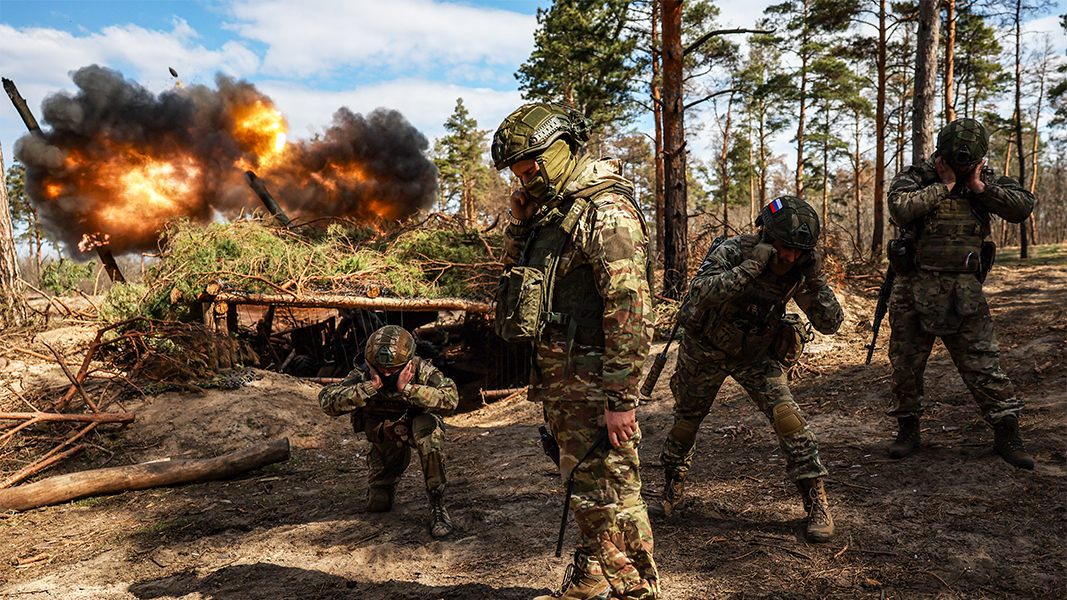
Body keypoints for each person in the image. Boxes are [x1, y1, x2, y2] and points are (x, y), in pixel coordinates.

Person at [492, 102, 658, 600]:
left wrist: (621, 398)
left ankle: (638, 592)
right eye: (517, 173)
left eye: (529, 168)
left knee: (607, 497)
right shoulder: (554, 214)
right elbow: (514, 285)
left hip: (594, 383)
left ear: (559, 152)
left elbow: (631, 307)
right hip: (566, 380)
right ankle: (590, 579)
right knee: (588, 485)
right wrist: (520, 226)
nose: (523, 180)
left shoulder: (604, 213)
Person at [648, 196, 844, 544]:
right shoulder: (735, 251)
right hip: (705, 348)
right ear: (767, 237)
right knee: (686, 421)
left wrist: (816, 280)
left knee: (788, 418)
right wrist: (749, 269)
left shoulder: (799, 270)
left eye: (799, 252)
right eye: (785, 248)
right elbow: (699, 292)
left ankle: (816, 499)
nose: (789, 258)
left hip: (754, 353)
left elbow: (830, 323)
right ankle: (670, 490)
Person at [885, 117, 1035, 469]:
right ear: (942, 156)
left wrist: (982, 188)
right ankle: (908, 430)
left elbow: (1023, 206)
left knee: (983, 365)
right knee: (906, 366)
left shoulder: (984, 180)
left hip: (964, 290)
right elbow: (899, 209)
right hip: (913, 288)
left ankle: (1007, 432)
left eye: (968, 164)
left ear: (980, 159)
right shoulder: (917, 178)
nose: (962, 168)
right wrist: (946, 186)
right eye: (956, 163)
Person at [319, 325, 458, 538]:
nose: (386, 373)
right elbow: (327, 401)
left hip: (416, 429)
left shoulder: (421, 370)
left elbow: (451, 398)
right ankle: (386, 482)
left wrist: (408, 389)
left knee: (428, 428)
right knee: (379, 504)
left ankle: (437, 503)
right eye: (380, 368)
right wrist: (370, 387)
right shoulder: (365, 373)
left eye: (393, 369)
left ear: (408, 363)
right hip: (387, 439)